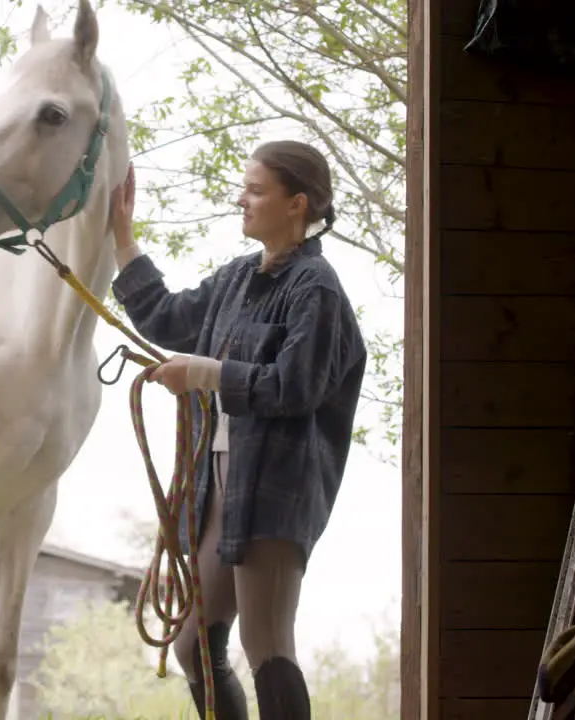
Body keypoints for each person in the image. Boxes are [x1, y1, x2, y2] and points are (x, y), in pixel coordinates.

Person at [108, 140, 368, 720]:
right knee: (192, 644)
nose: (241, 199)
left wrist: (201, 373)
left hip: (276, 490)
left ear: (296, 203)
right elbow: (166, 317)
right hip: (223, 485)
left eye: (255, 190)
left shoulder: (316, 289)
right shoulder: (235, 279)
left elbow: (295, 386)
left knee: (267, 643)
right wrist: (123, 239)